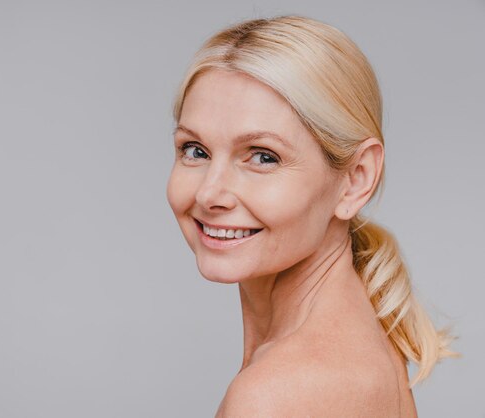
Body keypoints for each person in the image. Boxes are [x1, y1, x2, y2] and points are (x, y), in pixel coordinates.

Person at [166, 15, 459, 417]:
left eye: (263, 157)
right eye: (194, 150)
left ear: (356, 179)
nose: (209, 193)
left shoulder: (274, 394)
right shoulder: (361, 336)